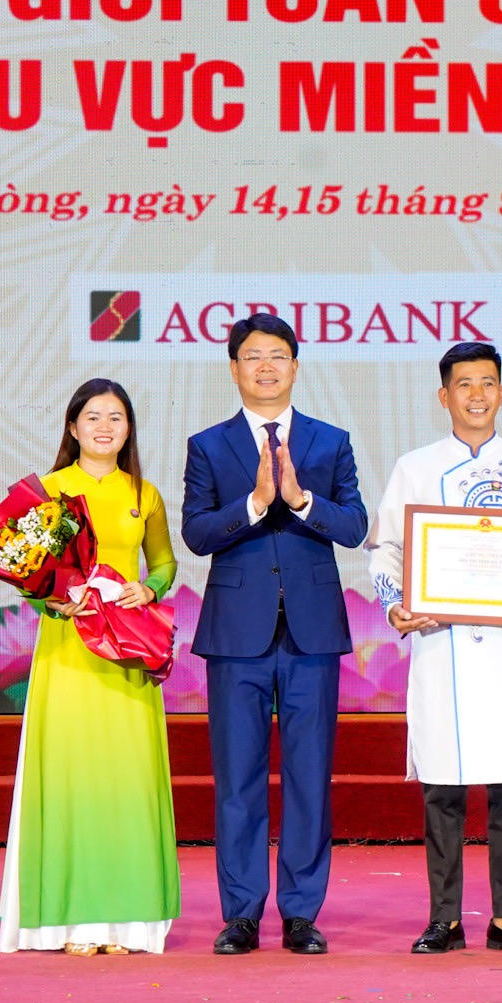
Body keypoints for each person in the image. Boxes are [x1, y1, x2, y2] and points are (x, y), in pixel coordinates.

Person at [367, 341, 502, 956]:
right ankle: (444, 919)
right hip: (441, 645)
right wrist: (397, 605)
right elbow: (386, 550)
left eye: (487, 383)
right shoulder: (415, 468)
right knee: (442, 789)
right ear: (443, 395)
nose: (476, 395)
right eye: (463, 384)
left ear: (501, 392)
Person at [182, 313, 369, 955]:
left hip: (311, 635)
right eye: (253, 356)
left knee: (309, 778)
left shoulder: (330, 441)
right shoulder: (208, 445)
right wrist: (257, 504)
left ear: (296, 366)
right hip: (237, 635)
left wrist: (302, 499)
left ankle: (300, 913)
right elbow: (197, 533)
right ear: (234, 368)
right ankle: (240, 913)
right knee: (237, 779)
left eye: (277, 356)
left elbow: (354, 526)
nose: (266, 366)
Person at [0, 379, 179, 956]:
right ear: (73, 427)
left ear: (129, 429)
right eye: (93, 416)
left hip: (127, 652)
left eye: (116, 417)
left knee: (127, 781)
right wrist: (50, 601)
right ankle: (68, 922)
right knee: (70, 777)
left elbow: (164, 563)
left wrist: (148, 590)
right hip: (68, 652)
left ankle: (128, 922)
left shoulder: (144, 494)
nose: (105, 427)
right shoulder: (49, 491)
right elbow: (22, 570)